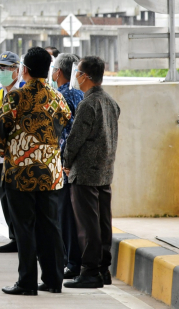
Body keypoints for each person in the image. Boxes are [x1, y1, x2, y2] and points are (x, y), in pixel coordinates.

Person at [0, 47, 71, 296]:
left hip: (20, 172)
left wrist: (6, 150)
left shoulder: (16, 96)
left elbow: (0, 129)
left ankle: (26, 282)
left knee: (24, 227)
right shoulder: (56, 96)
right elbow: (64, 120)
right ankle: (53, 280)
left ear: (24, 69)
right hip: (50, 171)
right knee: (50, 226)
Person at [63, 56, 120, 289]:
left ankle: (89, 271)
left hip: (85, 173)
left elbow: (75, 140)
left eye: (77, 72)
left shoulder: (87, 105)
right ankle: (103, 270)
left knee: (87, 225)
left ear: (85, 76)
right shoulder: (110, 102)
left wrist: (66, 161)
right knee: (103, 222)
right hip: (105, 171)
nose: (75, 76)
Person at [51, 53, 84, 280]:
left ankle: (69, 262)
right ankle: (75, 261)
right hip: (81, 164)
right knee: (77, 214)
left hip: (63, 164)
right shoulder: (82, 95)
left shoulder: (57, 98)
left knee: (65, 215)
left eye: (54, 69)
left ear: (59, 72)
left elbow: (55, 133)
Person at [0, 51, 23, 253]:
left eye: (7, 68)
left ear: (17, 70)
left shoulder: (24, 92)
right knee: (5, 198)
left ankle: (23, 238)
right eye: (0, 68)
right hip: (1, 155)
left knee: (19, 199)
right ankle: (14, 237)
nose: (2, 71)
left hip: (18, 156)